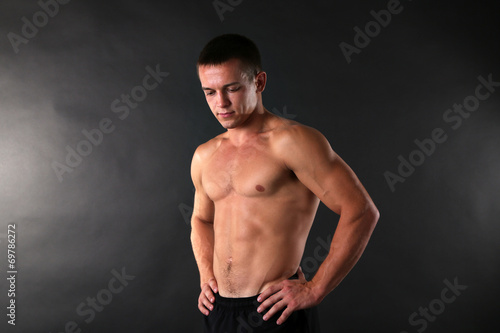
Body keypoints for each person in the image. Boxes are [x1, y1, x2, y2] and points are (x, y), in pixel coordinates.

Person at [190, 34, 379, 333]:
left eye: (232, 89)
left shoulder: (292, 142)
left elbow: (361, 211)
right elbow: (201, 219)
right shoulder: (204, 155)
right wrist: (205, 277)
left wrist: (315, 289)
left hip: (274, 310)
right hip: (219, 311)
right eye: (210, 92)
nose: (221, 103)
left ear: (259, 82)